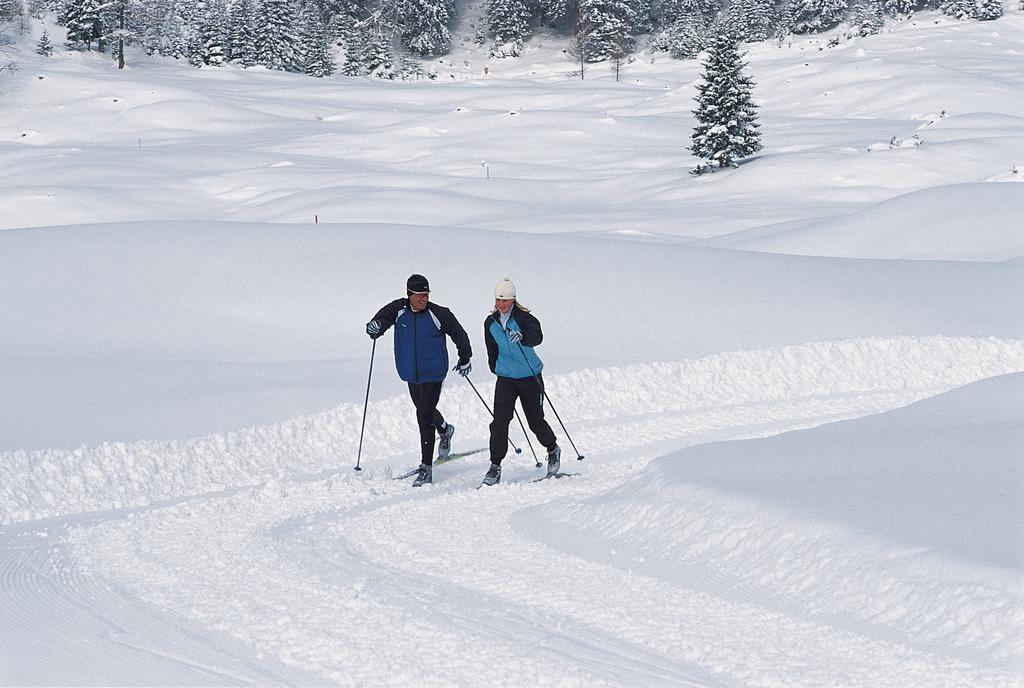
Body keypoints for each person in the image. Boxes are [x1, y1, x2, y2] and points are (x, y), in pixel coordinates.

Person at [366, 274, 472, 486]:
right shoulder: (398, 309)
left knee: (423, 415)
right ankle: (444, 429)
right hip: (411, 373)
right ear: (410, 295)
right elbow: (381, 321)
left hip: (433, 372)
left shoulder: (438, 313)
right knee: (425, 409)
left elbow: (459, 334)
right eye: (420, 295)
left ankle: (426, 468)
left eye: (426, 295)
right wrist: (374, 327)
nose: (424, 299)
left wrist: (465, 357)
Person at [480, 277, 560, 486]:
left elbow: (537, 337)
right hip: (506, 379)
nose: (502, 305)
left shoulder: (525, 319)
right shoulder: (491, 322)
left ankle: (552, 448)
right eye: (499, 300)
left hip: (529, 377)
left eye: (506, 300)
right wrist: (495, 367)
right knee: (499, 422)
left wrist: (523, 337)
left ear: (514, 300)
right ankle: (495, 465)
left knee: (535, 421)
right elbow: (491, 349)